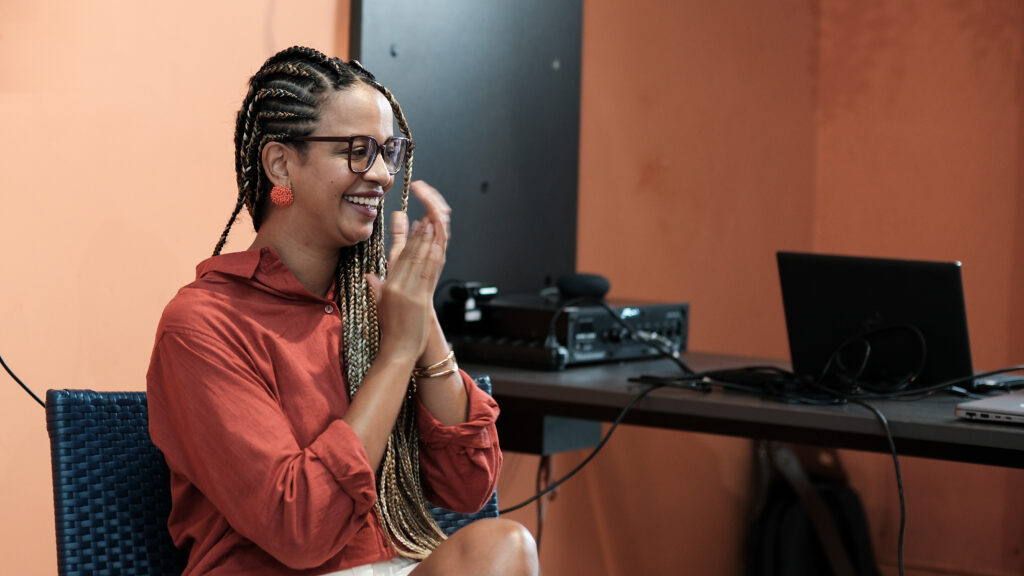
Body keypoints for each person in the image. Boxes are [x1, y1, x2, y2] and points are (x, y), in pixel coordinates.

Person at [146, 46, 539, 576]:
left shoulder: (370, 303)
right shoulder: (204, 324)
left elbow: (467, 487)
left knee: (503, 546)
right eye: (355, 150)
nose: (380, 174)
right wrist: (396, 355)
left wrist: (419, 319)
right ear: (281, 162)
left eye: (387, 152)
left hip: (396, 564)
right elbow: (301, 529)